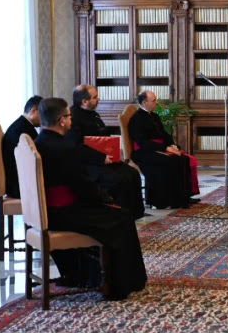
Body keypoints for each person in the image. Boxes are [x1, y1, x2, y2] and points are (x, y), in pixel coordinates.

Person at [33, 97, 147, 300]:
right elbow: (81, 186)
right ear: (61, 121)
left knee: (116, 212)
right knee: (123, 218)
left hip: (46, 212)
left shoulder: (38, 143)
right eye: (69, 116)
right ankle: (119, 285)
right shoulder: (63, 149)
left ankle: (90, 274)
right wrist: (102, 198)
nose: (71, 120)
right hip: (65, 212)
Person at [65, 85, 144, 220]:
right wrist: (101, 158)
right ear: (84, 101)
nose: (98, 98)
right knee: (118, 179)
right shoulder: (73, 118)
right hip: (89, 163)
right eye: (95, 97)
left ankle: (133, 214)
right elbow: (77, 146)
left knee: (132, 173)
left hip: (104, 158)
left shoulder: (93, 114)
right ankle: (117, 216)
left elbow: (99, 134)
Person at [128, 90, 198, 209]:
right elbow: (142, 142)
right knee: (172, 161)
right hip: (144, 152)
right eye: (154, 100)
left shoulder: (154, 116)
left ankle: (183, 196)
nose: (157, 102)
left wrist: (172, 145)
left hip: (157, 149)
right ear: (145, 102)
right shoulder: (136, 119)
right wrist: (164, 148)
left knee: (182, 159)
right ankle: (166, 200)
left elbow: (164, 134)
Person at [2, 95, 42, 198]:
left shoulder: (22, 125)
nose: (44, 119)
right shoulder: (23, 130)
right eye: (43, 114)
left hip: (16, 183)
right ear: (33, 111)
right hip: (20, 187)